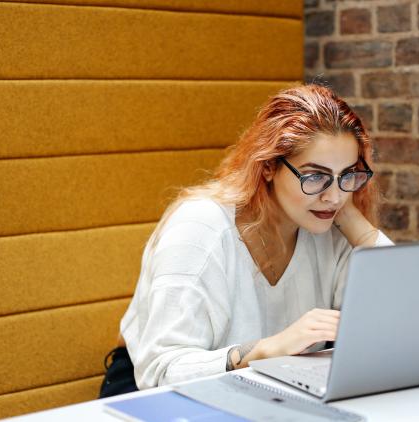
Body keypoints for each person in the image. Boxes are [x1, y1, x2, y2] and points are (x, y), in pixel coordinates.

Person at [99, 84, 394, 398]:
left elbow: (398, 322)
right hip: (153, 393)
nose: (334, 196)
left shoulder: (331, 223)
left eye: (347, 175)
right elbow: (161, 370)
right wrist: (265, 350)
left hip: (266, 386)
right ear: (268, 167)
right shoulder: (201, 227)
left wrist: (355, 224)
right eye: (315, 176)